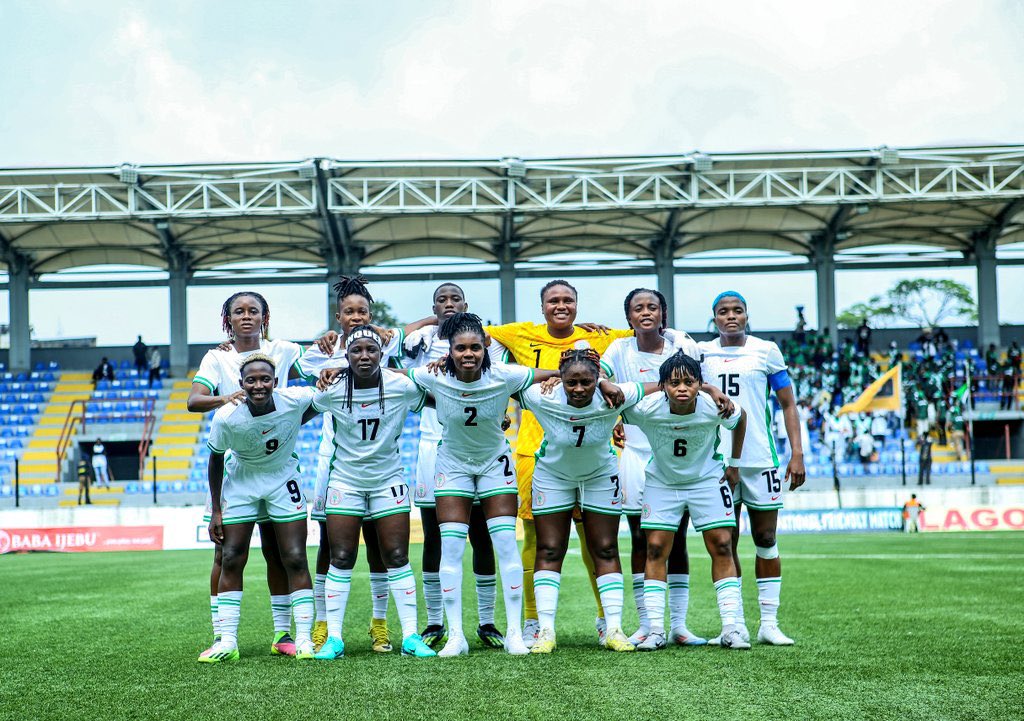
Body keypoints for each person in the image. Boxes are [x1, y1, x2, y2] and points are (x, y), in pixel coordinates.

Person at [404, 312, 574, 657]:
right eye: (461, 348)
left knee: (505, 547)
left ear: (485, 348)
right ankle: (456, 636)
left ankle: (513, 633)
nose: (469, 354)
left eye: (475, 348)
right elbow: (385, 375)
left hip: (496, 466)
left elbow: (559, 373)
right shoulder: (431, 376)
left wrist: (562, 375)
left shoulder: (505, 375)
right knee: (450, 551)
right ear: (449, 352)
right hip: (452, 467)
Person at [485, 279, 633, 647]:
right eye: (554, 300)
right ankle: (535, 622)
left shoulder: (599, 338)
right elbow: (471, 334)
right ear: (542, 307)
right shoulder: (521, 334)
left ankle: (606, 620)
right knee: (537, 539)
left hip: (592, 454)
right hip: (534, 454)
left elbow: (644, 330)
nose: (561, 306)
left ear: (578, 306)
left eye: (568, 300)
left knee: (595, 540)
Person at [298, 275, 434, 654]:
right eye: (349, 312)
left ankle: (393, 629)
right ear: (338, 317)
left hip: (386, 469)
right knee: (335, 549)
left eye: (363, 312)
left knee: (389, 552)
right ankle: (329, 631)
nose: (356, 318)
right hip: (337, 460)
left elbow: (424, 367)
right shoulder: (324, 356)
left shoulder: (391, 357)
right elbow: (298, 395)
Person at [600, 288, 733, 647]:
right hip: (635, 449)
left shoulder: (682, 345)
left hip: (681, 453)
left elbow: (693, 380)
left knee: (678, 542)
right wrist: (617, 406)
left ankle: (679, 625)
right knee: (643, 540)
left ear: (663, 313)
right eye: (638, 308)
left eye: (653, 307)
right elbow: (602, 380)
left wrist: (710, 389)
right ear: (628, 317)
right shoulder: (619, 349)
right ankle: (647, 624)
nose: (646, 313)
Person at [187, 291, 308, 657]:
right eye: (238, 311)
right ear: (228, 319)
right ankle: (222, 636)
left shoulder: (285, 350)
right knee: (226, 554)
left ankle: (285, 635)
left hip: (277, 461)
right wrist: (225, 398)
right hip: (238, 460)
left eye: (252, 310)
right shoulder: (217, 357)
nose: (246, 317)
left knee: (280, 553)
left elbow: (315, 384)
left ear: (264, 316)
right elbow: (194, 401)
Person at [619, 352, 749, 650]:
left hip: (706, 480)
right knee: (654, 549)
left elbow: (742, 419)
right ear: (663, 385)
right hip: (662, 483)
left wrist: (735, 464)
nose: (682, 388)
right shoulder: (647, 408)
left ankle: (732, 628)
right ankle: (655, 630)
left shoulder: (714, 407)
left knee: (722, 545)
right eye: (674, 382)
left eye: (689, 382)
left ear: (699, 384)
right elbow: (618, 403)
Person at [698, 290, 806, 647]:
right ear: (714, 318)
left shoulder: (767, 351)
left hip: (760, 459)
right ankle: (735, 625)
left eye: (737, 311)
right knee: (725, 543)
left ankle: (769, 624)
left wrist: (797, 454)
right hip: (716, 461)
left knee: (766, 539)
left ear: (747, 315)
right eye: (723, 312)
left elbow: (788, 404)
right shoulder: (702, 353)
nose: (731, 316)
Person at [199, 354, 321, 663]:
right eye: (251, 380)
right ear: (240, 384)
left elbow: (322, 397)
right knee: (231, 556)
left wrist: (329, 372)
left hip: (283, 478)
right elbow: (215, 460)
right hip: (242, 479)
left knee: (293, 557)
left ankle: (301, 638)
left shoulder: (295, 399)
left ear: (276, 382)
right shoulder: (227, 416)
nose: (258, 385)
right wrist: (216, 510)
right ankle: (227, 641)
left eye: (265, 379)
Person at [520, 348, 644, 653]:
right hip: (553, 476)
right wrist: (548, 375)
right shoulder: (541, 395)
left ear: (597, 378)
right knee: (549, 548)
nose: (578, 389)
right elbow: (501, 381)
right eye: (570, 382)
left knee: (605, 548)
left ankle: (613, 627)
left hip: (600, 476)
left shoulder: (615, 394)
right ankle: (546, 631)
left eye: (586, 382)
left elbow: (657, 386)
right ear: (559, 379)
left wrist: (605, 384)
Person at [402, 283, 503, 649]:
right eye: (441, 301)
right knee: (433, 537)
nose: (448, 304)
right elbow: (390, 347)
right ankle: (433, 622)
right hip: (433, 450)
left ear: (466, 305)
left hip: (481, 451)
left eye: (454, 300)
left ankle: (488, 622)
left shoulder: (484, 342)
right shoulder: (420, 342)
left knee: (483, 537)